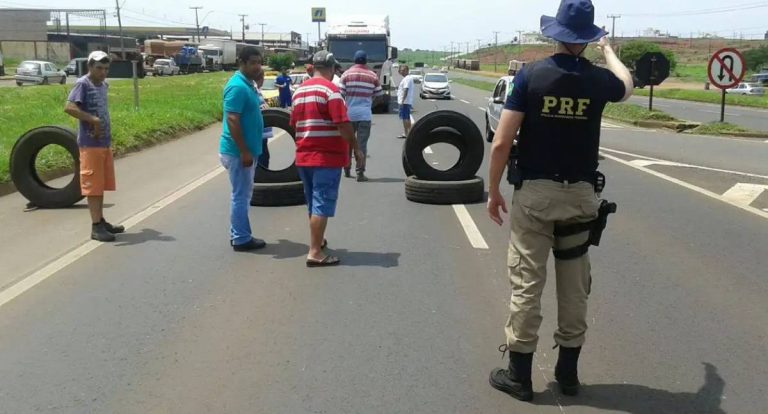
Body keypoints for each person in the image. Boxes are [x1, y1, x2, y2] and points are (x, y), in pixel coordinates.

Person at [486, 0, 633, 402]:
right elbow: (628, 83)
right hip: (582, 196)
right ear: (586, 39)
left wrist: (493, 189)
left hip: (536, 194)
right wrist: (608, 51)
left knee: (526, 281)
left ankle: (520, 375)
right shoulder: (599, 81)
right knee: (574, 286)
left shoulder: (532, 77)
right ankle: (568, 374)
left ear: (555, 34)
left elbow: (501, 142)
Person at [290, 51, 363, 267]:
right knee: (322, 201)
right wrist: (356, 149)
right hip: (325, 157)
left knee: (313, 201)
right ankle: (314, 252)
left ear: (313, 67)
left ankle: (318, 241)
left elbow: (293, 123)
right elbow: (343, 124)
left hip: (304, 156)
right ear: (331, 68)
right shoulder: (331, 91)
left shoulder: (299, 92)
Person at [64, 51, 124, 242]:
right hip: (90, 144)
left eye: (106, 69)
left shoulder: (103, 85)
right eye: (99, 68)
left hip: (103, 143)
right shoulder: (83, 83)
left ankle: (101, 220)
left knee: (100, 185)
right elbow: (70, 107)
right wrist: (93, 120)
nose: (103, 72)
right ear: (90, 67)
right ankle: (96, 227)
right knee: (93, 186)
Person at [220, 46, 268, 252]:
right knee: (241, 195)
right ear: (242, 63)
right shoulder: (237, 87)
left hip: (247, 149)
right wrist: (244, 151)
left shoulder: (247, 84)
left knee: (243, 194)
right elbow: (232, 119)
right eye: (253, 63)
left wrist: (258, 84)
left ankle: (238, 234)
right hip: (238, 152)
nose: (258, 66)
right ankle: (240, 238)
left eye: (259, 62)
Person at [338, 50, 383, 182]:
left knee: (348, 144)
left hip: (349, 116)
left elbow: (340, 94)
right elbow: (380, 96)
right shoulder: (372, 76)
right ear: (366, 61)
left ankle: (346, 169)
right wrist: (369, 105)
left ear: (354, 60)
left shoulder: (346, 74)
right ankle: (360, 173)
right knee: (362, 145)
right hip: (365, 115)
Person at [396, 65, 414, 139]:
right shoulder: (408, 78)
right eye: (401, 70)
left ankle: (407, 133)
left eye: (403, 70)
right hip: (406, 101)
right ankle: (409, 133)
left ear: (407, 70)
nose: (401, 72)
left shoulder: (407, 79)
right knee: (407, 117)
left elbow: (406, 90)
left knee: (405, 118)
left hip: (405, 102)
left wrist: (402, 101)